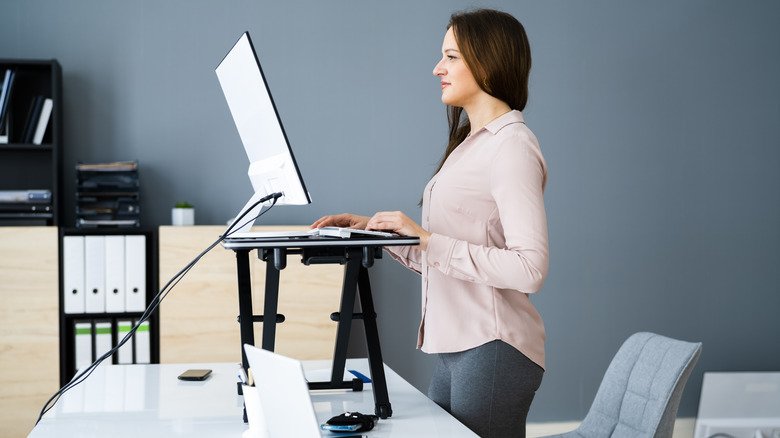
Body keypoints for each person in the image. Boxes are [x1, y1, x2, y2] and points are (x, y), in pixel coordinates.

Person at [311, 8, 548, 437]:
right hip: (456, 345)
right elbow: (440, 257)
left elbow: (530, 269)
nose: (438, 68)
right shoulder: (468, 146)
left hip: (492, 345)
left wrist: (428, 239)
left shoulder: (512, 146)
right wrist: (375, 234)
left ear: (488, 60)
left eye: (451, 57)